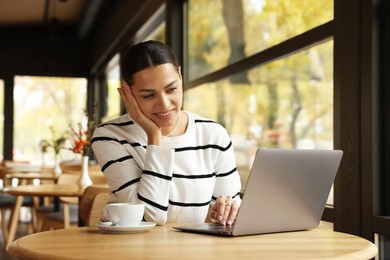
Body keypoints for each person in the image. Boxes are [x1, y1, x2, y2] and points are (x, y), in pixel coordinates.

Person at [92, 40, 241, 226]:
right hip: (132, 250)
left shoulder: (213, 135)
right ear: (127, 92)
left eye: (171, 89)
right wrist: (154, 135)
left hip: (192, 251)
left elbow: (228, 207)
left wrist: (226, 210)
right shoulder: (110, 136)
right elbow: (149, 216)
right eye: (148, 95)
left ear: (180, 76)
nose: (164, 104)